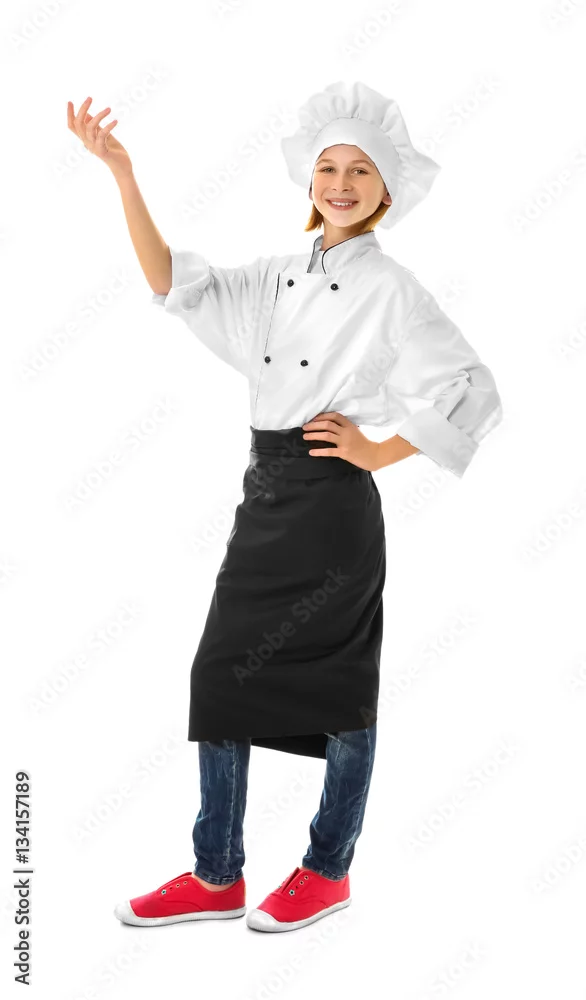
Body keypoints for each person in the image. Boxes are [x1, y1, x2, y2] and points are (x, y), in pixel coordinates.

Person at [67, 80, 503, 934]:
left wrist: (378, 449)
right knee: (219, 673)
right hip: (265, 494)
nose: (341, 184)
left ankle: (327, 870)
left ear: (386, 189)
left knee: (340, 689)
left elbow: (472, 388)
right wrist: (122, 174)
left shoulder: (395, 291)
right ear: (309, 179)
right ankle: (217, 875)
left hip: (335, 508)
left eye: (360, 171)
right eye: (328, 168)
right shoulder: (275, 276)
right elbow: (175, 283)